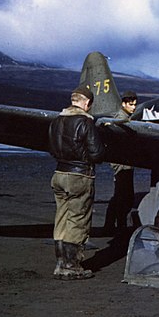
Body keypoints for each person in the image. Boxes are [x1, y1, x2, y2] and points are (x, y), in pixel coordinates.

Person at [48, 86, 105, 280]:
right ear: (87, 103)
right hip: (79, 176)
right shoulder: (86, 123)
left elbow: (52, 149)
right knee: (78, 220)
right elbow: (97, 154)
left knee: (62, 218)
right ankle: (71, 266)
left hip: (59, 173)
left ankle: (60, 264)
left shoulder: (56, 121)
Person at [104, 90, 138, 235]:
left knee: (121, 195)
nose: (134, 107)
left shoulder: (125, 117)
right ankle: (119, 226)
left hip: (125, 163)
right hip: (122, 164)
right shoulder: (120, 119)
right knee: (123, 196)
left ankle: (111, 225)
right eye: (131, 105)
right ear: (123, 103)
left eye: (135, 105)